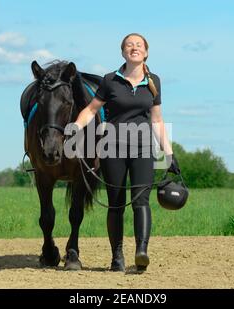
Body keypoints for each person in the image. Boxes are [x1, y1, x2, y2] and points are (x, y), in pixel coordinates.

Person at [71, 33, 180, 271]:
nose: (134, 48)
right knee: (116, 204)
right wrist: (75, 128)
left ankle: (141, 252)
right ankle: (117, 256)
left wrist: (169, 154)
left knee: (141, 201)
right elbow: (91, 110)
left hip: (142, 149)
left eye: (139, 45)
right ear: (123, 53)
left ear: (146, 52)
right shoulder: (110, 80)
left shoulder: (154, 81)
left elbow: (157, 120)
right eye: (129, 45)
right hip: (112, 149)